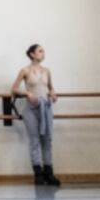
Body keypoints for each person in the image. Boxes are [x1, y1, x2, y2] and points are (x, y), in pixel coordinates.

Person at [11, 44, 60, 186]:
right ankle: (38, 174)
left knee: (47, 140)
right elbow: (14, 89)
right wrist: (27, 93)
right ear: (32, 54)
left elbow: (51, 88)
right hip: (31, 110)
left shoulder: (47, 71)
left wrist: (53, 94)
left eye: (43, 51)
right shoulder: (25, 71)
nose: (43, 53)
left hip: (46, 108)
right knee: (34, 140)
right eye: (40, 51)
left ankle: (49, 173)